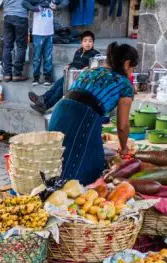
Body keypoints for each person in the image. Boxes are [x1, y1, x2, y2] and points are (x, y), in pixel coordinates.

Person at [48, 42, 137, 185]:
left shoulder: (91, 71)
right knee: (90, 166)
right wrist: (124, 147)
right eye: (133, 68)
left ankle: (52, 193)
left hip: (60, 111)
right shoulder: (125, 84)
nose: (132, 72)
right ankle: (73, 198)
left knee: (56, 158)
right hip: (83, 117)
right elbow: (123, 125)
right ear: (127, 64)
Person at [28, 30, 100, 113]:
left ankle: (45, 106)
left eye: (90, 41)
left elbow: (97, 68)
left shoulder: (95, 54)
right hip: (70, 74)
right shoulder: (78, 51)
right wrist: (69, 65)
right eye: (85, 41)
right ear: (81, 43)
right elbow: (74, 62)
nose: (88, 43)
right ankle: (42, 99)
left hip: (80, 79)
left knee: (60, 90)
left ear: (93, 43)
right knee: (56, 86)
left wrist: (88, 68)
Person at [24, 0, 69, 87]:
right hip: (37, 32)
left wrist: (57, 7)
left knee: (48, 57)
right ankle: (36, 77)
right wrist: (34, 8)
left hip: (49, 33)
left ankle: (48, 77)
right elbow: (24, 3)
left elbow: (66, 1)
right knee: (37, 57)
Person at [2, 0, 29, 82]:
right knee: (21, 46)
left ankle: (7, 74)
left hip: (7, 16)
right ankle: (17, 74)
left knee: (7, 46)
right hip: (20, 16)